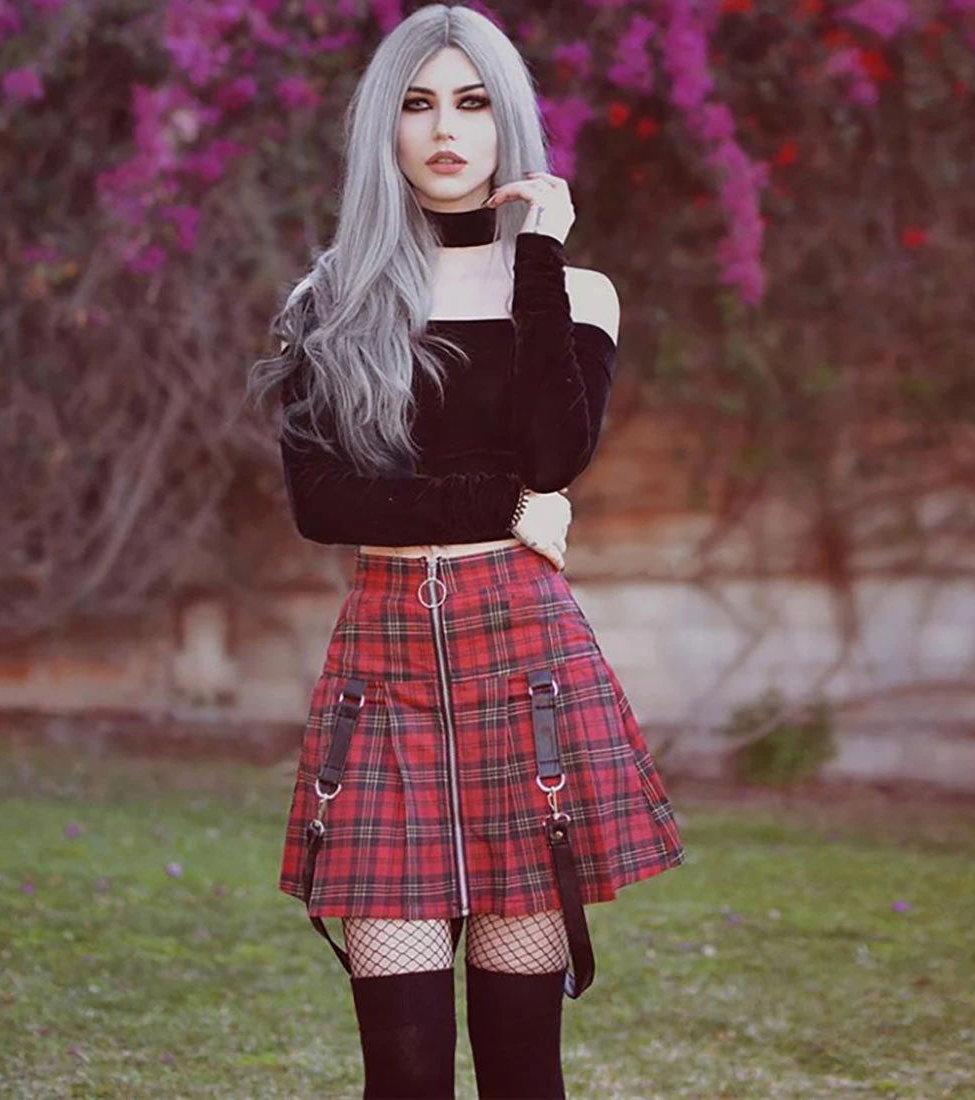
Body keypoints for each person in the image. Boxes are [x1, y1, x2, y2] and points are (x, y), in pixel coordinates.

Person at [249, 6, 685, 1097]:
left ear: (508, 122)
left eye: (473, 102)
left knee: (521, 1064)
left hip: (521, 665)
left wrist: (536, 254)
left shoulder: (576, 292)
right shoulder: (330, 299)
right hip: (383, 670)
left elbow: (556, 453)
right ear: (383, 129)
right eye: (417, 104)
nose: (446, 129)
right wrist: (506, 499)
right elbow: (322, 502)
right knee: (401, 1071)